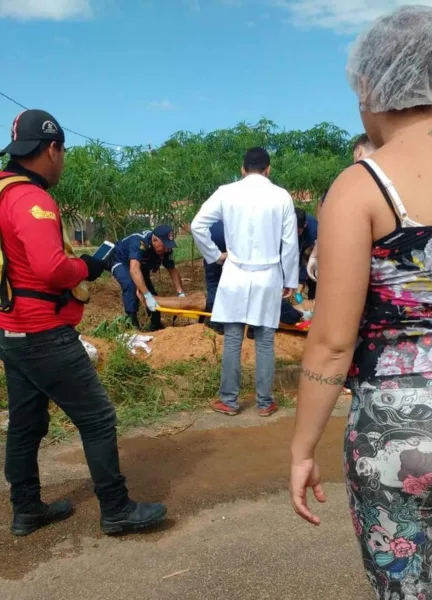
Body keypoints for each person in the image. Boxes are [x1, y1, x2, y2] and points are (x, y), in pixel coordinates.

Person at [290, 6, 432, 598]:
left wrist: (302, 446)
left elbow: (334, 340)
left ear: (370, 86)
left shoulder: (362, 185)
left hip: (399, 427)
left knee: (407, 585)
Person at [0, 109, 166, 536]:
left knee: (26, 423)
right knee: (96, 417)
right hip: (43, 332)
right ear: (52, 148)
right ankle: (116, 508)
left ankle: (26, 509)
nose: (63, 161)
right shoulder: (31, 198)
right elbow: (51, 267)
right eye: (63, 152)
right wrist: (87, 267)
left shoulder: (2, 191)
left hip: (12, 330)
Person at [192, 147, 299, 417]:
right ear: (268, 168)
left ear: (242, 169)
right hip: (268, 274)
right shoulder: (281, 196)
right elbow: (290, 243)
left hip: (235, 273)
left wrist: (215, 256)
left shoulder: (226, 192)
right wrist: (290, 278)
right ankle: (265, 403)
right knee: (264, 341)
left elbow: (197, 225)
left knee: (232, 339)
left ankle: (228, 401)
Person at [204, 219, 304, 336]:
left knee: (214, 281)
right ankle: (255, 326)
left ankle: (217, 322)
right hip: (238, 238)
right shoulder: (277, 231)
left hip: (213, 237)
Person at [307, 136, 376, 283]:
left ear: (359, 152)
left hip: (350, 264)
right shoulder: (398, 178)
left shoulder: (351, 178)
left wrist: (316, 253)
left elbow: (326, 214)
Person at [108, 226, 185, 331]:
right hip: (121, 261)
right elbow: (134, 269)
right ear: (154, 240)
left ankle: (156, 326)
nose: (167, 249)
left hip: (141, 265)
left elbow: (172, 269)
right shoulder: (139, 241)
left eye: (169, 245)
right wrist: (147, 295)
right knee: (131, 286)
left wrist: (180, 292)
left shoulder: (166, 249)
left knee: (151, 293)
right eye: (164, 245)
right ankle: (132, 325)